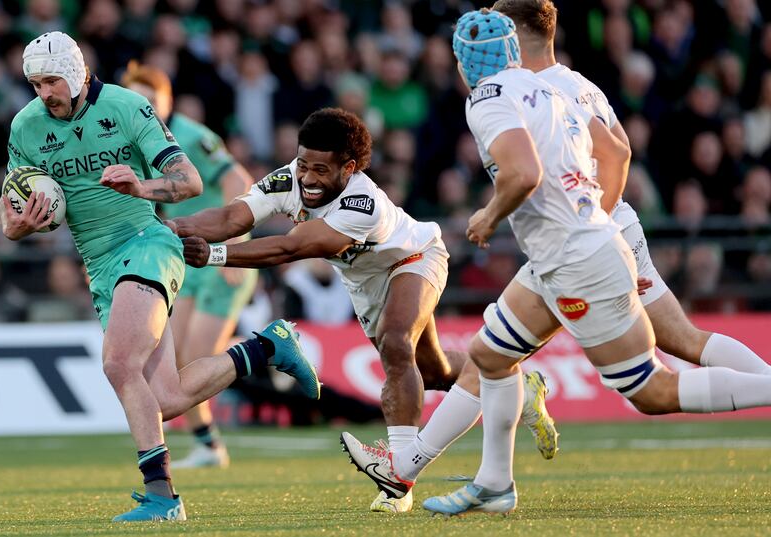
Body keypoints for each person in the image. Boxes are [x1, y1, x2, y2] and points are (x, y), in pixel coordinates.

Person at [358, 8, 771, 517]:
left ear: (465, 63)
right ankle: (490, 484)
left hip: (576, 257)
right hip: (574, 247)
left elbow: (524, 173)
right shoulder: (558, 87)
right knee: (489, 356)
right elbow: (617, 154)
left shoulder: (487, 97)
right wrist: (593, 217)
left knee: (650, 389)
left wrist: (488, 216)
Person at [167, 107, 557, 513]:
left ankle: (400, 479)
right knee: (433, 372)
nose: (307, 178)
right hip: (364, 283)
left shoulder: (362, 201)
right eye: (302, 164)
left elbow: (293, 247)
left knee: (396, 341)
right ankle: (517, 384)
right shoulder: (288, 179)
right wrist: (176, 227)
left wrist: (215, 255)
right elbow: (232, 216)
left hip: (413, 258)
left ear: (349, 168)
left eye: (320, 169)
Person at [0, 32, 319, 522]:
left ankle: (163, 496)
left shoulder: (129, 108)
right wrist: (15, 226)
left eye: (52, 81)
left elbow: (189, 181)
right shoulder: (26, 126)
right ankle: (266, 347)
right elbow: (12, 202)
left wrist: (140, 183)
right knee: (165, 400)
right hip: (100, 265)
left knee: (118, 363)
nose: (45, 93)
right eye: (36, 84)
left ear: (78, 73)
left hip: (148, 242)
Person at [121, 61, 259, 470]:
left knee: (195, 360)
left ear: (168, 101)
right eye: (138, 99)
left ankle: (267, 350)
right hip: (186, 260)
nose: (146, 106)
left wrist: (232, 243)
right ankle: (208, 445)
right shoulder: (136, 139)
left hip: (218, 257)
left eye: (153, 99)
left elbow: (238, 180)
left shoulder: (191, 136)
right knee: (175, 367)